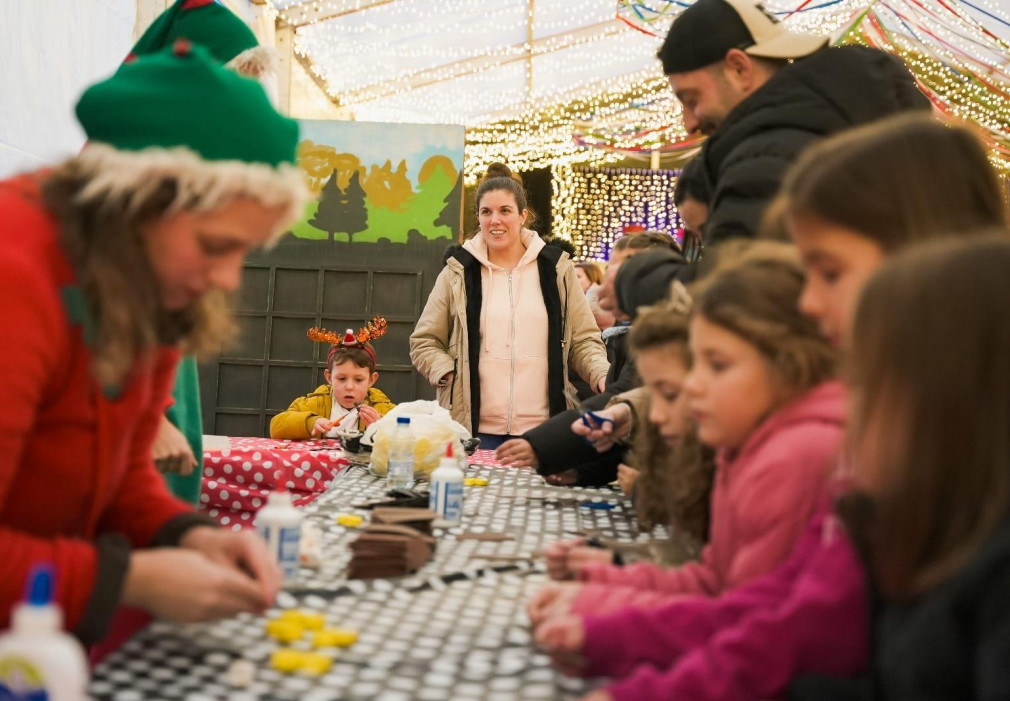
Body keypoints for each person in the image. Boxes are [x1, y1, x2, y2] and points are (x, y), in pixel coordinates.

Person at [533, 114, 1008, 701]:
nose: (807, 300)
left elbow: (803, 636)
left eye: (827, 271)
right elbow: (785, 612)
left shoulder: (846, 445)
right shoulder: (897, 437)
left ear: (918, 259)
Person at [0, 44, 308, 643]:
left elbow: (122, 478)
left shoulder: (150, 284)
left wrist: (189, 534)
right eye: (216, 245)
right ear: (136, 204)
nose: (226, 280)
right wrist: (128, 581)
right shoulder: (15, 276)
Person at [529, 245, 842, 623]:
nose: (694, 389)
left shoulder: (794, 457)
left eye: (717, 364)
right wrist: (605, 576)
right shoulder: (741, 449)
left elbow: (748, 624)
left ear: (786, 364)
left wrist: (602, 620)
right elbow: (712, 578)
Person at [659, 0, 929, 245]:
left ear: (739, 69)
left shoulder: (762, 162)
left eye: (692, 99)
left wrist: (636, 276)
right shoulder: (850, 125)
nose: (689, 124)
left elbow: (738, 290)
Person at [410, 163, 609, 450]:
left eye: (505, 211)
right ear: (478, 217)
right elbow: (424, 341)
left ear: (522, 216)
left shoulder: (556, 270)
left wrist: (602, 374)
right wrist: (449, 375)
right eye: (486, 212)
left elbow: (584, 340)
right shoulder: (458, 272)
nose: (495, 220)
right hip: (474, 429)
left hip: (544, 429)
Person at [497, 245, 688, 485]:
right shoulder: (645, 333)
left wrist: (543, 445)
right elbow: (626, 433)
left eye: (617, 275)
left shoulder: (664, 339)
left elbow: (632, 408)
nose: (605, 299)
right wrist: (586, 472)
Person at [270, 320, 396, 439]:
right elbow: (276, 426)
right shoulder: (318, 402)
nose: (349, 387)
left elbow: (411, 435)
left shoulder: (381, 407)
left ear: (371, 380)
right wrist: (311, 422)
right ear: (329, 377)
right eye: (341, 379)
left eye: (358, 380)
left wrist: (381, 424)